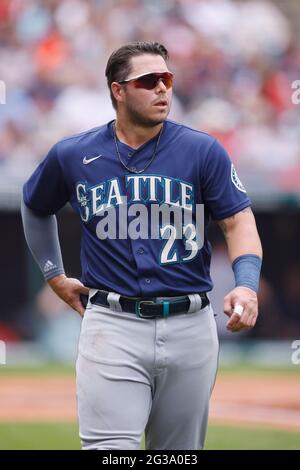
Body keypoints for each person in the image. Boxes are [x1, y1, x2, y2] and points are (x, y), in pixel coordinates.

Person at [21, 41, 262, 450]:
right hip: (112, 323)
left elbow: (238, 220)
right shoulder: (74, 154)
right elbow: (34, 204)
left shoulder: (201, 149)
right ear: (118, 90)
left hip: (191, 324)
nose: (162, 89)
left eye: (167, 79)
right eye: (148, 81)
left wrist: (247, 283)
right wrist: (54, 275)